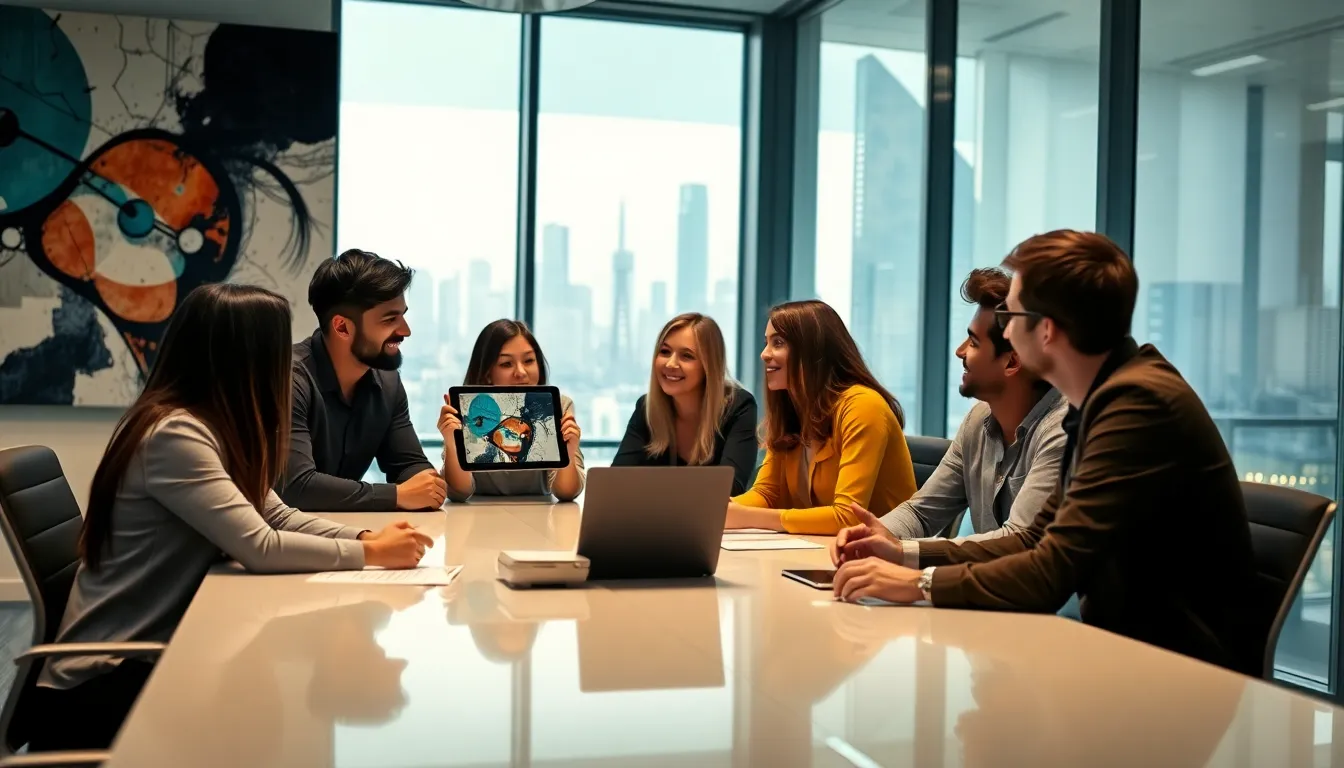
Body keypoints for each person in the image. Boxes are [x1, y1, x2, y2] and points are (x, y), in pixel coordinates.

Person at [832, 230, 1261, 675]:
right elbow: (1033, 539)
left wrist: (917, 583)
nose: (1008, 329)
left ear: (1047, 330)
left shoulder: (1137, 405)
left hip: (1180, 676)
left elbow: (1050, 573)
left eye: (1013, 315)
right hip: (1124, 657)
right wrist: (902, 555)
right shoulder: (1105, 396)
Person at [32, 284, 432, 752]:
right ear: (245, 358)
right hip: (107, 677)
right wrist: (368, 553)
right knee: (265, 730)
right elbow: (258, 546)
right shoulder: (176, 434)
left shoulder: (216, 428)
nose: (287, 366)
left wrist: (365, 535)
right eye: (276, 350)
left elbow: (278, 516)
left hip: (158, 653)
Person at [829, 268, 1067, 565]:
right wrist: (873, 534)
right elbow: (920, 512)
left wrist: (905, 553)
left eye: (974, 342)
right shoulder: (977, 421)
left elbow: (1019, 539)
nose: (959, 351)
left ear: (1012, 361)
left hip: (1050, 609)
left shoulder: (1062, 431)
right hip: (989, 596)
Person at [726, 300, 916, 535]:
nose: (764, 354)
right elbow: (767, 494)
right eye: (767, 343)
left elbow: (847, 517)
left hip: (884, 558)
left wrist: (748, 517)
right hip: (823, 553)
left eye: (778, 343)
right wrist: (717, 511)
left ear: (813, 351)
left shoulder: (863, 405)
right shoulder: (793, 410)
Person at [279, 249, 445, 512]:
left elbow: (411, 468)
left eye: (403, 315)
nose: (405, 331)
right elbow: (295, 488)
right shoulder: (289, 381)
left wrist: (426, 485)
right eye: (390, 319)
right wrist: (396, 495)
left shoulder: (388, 382)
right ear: (342, 327)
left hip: (348, 536)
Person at [439, 320, 586, 502]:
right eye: (506, 364)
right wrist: (453, 447)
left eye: (529, 360)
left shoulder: (557, 406)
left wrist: (568, 455)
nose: (521, 372)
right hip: (478, 518)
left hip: (542, 520)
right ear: (486, 373)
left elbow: (567, 493)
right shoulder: (469, 409)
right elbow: (458, 493)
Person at [612, 313, 759, 495]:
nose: (671, 363)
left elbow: (731, 488)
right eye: (665, 352)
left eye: (686, 356)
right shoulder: (646, 408)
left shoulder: (739, 406)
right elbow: (616, 483)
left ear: (708, 365)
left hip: (714, 523)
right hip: (652, 521)